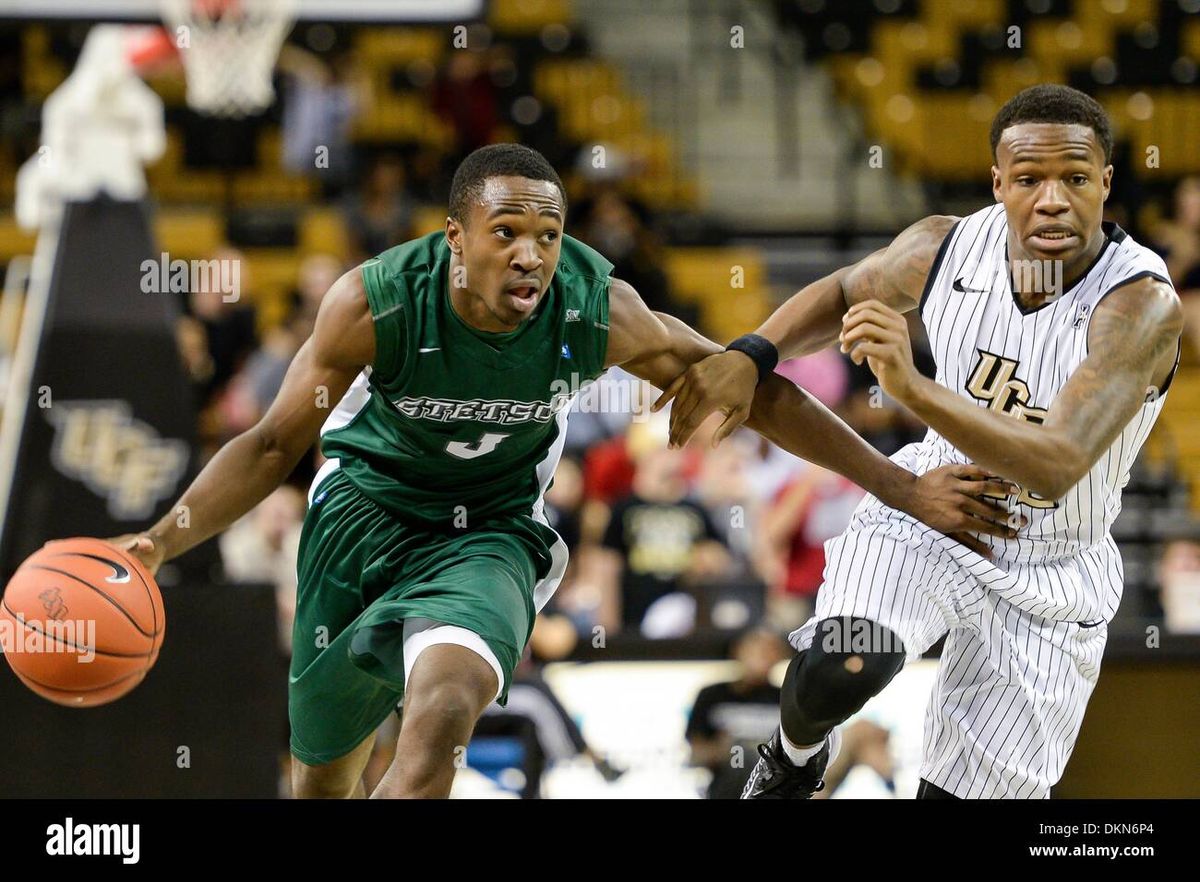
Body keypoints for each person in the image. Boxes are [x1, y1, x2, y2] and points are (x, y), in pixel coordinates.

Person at [109, 143, 1014, 799]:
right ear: (455, 239)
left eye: (548, 232)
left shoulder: (596, 307)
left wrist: (901, 485)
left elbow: (755, 395)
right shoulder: (373, 303)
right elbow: (272, 447)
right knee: (321, 781)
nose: (532, 253)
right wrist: (156, 542)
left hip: (489, 539)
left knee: (440, 718)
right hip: (358, 523)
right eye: (507, 231)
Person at [659, 84, 1183, 799]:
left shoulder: (1139, 305)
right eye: (1029, 179)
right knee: (843, 663)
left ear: (1106, 183)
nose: (1053, 199)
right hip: (932, 507)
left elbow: (1059, 463)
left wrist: (912, 389)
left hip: (1053, 565)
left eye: (1076, 178)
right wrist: (752, 353)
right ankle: (792, 760)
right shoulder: (947, 246)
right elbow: (846, 291)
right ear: (998, 182)